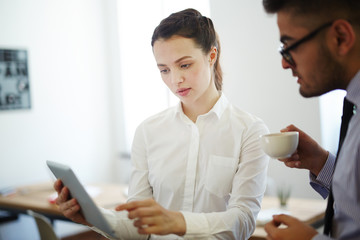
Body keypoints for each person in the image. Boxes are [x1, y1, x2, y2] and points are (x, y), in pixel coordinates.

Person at [54, 8, 269, 240]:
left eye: (184, 65)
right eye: (164, 70)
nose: (175, 80)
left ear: (212, 55)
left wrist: (179, 222)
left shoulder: (250, 132)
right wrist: (91, 217)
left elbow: (244, 220)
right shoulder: (148, 132)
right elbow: (136, 226)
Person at [261, 0, 360, 239]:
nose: (285, 63)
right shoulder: (354, 108)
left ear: (340, 37)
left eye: (289, 47)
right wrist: (321, 162)